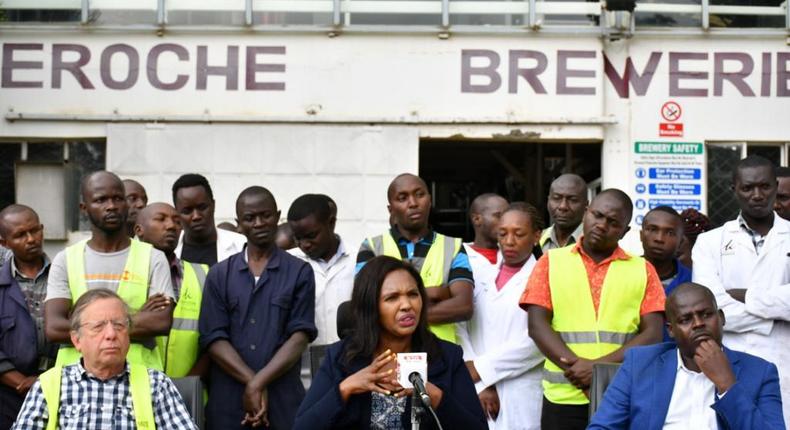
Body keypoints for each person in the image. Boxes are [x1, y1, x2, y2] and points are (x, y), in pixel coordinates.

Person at [520, 189, 666, 430]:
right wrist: (578, 370)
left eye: (613, 222)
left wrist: (597, 370)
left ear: (625, 231)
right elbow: (537, 325)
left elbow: (653, 334)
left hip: (620, 394)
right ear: (586, 213)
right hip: (563, 396)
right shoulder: (550, 261)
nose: (601, 225)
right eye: (597, 215)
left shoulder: (643, 269)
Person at [294, 256, 487, 429]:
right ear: (371, 306)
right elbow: (302, 426)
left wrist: (433, 395)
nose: (407, 305)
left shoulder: (446, 356)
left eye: (413, 294)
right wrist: (347, 388)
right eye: (392, 298)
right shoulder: (341, 357)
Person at [588, 282, 785, 430]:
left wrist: (727, 385)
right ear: (671, 330)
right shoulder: (639, 364)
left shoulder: (761, 372)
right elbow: (602, 427)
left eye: (706, 314)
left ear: (722, 319)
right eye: (686, 319)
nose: (698, 323)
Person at [199, 186, 316, 429]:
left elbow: (300, 336)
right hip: (228, 404)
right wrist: (252, 382)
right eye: (250, 218)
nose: (259, 223)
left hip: (283, 402)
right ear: (239, 224)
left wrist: (258, 383)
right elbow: (213, 338)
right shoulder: (219, 275)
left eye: (266, 215)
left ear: (278, 216)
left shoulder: (299, 271)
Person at [692, 155, 790, 425]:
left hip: (785, 363)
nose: (757, 195)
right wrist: (775, 313)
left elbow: (727, 311)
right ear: (734, 189)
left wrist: (746, 296)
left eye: (765, 186)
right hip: (727, 361)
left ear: (775, 186)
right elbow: (711, 311)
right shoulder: (709, 242)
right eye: (748, 188)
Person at [12, 288, 197, 430]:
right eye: (98, 327)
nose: (111, 334)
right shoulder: (49, 385)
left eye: (119, 325)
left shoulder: (156, 385)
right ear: (77, 340)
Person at [44, 171, 174, 371]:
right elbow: (53, 328)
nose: (111, 206)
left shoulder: (153, 257)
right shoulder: (66, 259)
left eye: (118, 198)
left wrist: (84, 324)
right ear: (84, 208)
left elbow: (160, 323)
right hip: (77, 383)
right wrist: (136, 317)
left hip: (138, 378)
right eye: (101, 200)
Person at [356, 173, 474, 344]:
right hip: (387, 356)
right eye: (402, 198)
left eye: (419, 194)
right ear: (391, 209)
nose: (413, 203)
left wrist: (395, 307)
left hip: (441, 356)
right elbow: (366, 304)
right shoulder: (372, 247)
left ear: (429, 200)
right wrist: (438, 293)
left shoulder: (453, 247)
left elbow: (463, 307)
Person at [459, 203, 546, 429]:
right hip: (477, 389)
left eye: (519, 234)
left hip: (520, 392)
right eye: (503, 233)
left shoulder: (545, 277)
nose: (509, 241)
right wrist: (480, 383)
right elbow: (462, 326)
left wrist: (483, 370)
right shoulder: (480, 274)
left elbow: (538, 341)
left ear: (537, 236)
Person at [135, 202, 209, 378]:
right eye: (161, 219)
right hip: (136, 388)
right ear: (139, 230)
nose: (171, 226)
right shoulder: (125, 273)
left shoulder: (203, 274)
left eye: (177, 222)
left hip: (188, 389)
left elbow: (214, 338)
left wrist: (190, 382)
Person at [0, 205, 57, 429]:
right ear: (4, 242)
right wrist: (22, 382)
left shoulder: (64, 275)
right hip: (8, 393)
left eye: (35, 230)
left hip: (61, 386)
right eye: (20, 235)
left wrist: (48, 382)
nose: (31, 239)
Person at [288, 194, 354, 346]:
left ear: (331, 223)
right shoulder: (288, 264)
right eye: (298, 238)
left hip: (351, 358)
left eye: (311, 236)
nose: (305, 244)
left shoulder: (357, 260)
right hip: (303, 362)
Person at [172, 173, 246, 266]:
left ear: (213, 205)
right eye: (187, 211)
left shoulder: (241, 246)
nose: (196, 216)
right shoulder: (167, 250)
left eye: (202, 207)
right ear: (177, 213)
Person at [640, 206, 692, 324]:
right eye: (653, 229)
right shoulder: (621, 274)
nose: (659, 239)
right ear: (641, 235)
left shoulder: (693, 280)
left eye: (670, 233)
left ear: (681, 242)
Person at [540, 174, 588, 252]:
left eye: (573, 200)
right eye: (556, 198)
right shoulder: (536, 240)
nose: (563, 206)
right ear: (548, 201)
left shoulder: (595, 243)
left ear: (586, 205)